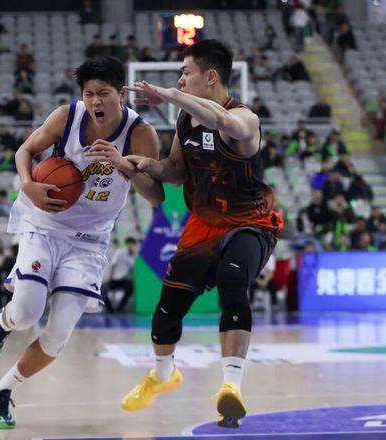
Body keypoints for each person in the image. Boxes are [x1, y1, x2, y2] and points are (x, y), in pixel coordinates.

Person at [0, 56, 164, 429]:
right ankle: (3, 323)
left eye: (103, 93)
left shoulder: (141, 134)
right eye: (89, 93)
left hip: (90, 240)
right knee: (26, 313)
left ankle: (2, 390)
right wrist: (27, 184)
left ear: (120, 93)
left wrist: (124, 164)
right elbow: (24, 151)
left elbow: (156, 196)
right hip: (46, 223)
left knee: (57, 336)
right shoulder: (68, 116)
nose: (95, 101)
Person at [121, 40, 283, 429]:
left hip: (248, 221)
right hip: (202, 223)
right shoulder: (184, 121)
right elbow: (175, 172)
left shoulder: (245, 118)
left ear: (210, 76)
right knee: (167, 308)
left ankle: (231, 387)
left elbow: (225, 124)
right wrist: (146, 165)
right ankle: (163, 373)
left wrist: (169, 95)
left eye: (185, 72)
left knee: (232, 279)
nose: (180, 79)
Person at [103, 237, 138, 313]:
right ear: (127, 244)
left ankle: (120, 308)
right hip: (114, 278)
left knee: (131, 287)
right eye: (130, 244)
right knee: (103, 289)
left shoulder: (134, 257)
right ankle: (110, 309)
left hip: (123, 279)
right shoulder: (120, 252)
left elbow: (132, 270)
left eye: (133, 244)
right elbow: (112, 265)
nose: (131, 246)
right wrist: (110, 278)